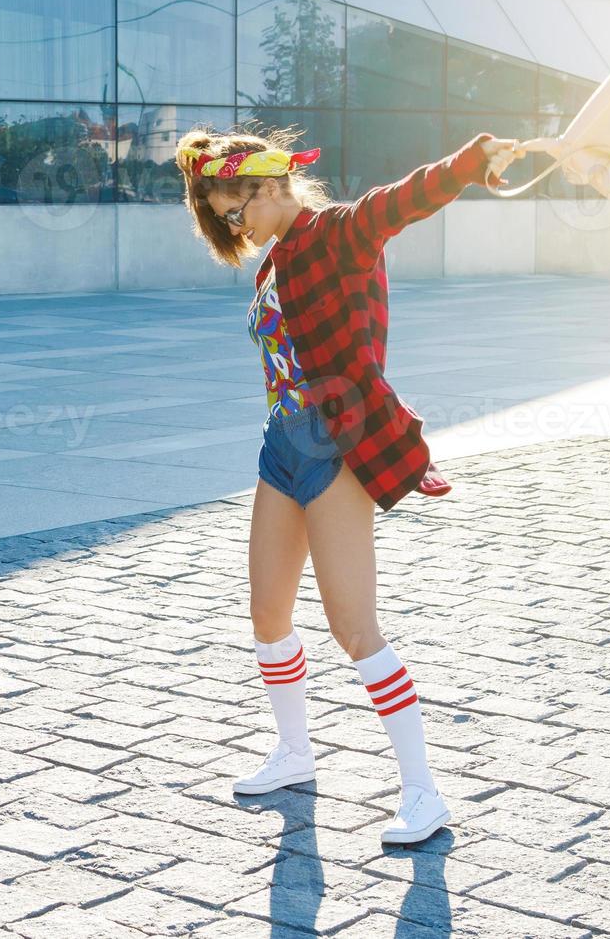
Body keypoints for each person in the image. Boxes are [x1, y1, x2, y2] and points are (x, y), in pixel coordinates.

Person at [175, 126, 523, 845]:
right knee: (267, 613)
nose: (232, 225)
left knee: (354, 628)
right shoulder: (272, 264)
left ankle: (423, 793)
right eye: (222, 216)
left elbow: (399, 202)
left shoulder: (337, 235)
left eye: (235, 211)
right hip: (283, 448)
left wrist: (468, 162)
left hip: (337, 448)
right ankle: (296, 754)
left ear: (270, 188)